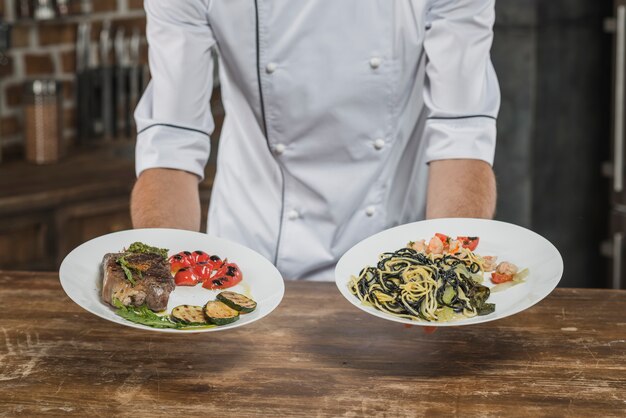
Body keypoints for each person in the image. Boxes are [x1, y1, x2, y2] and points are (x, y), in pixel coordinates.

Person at [131, 0, 499, 281]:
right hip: (248, 262)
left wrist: (442, 277)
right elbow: (173, 140)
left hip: (402, 254)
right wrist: (164, 278)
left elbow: (460, 134)